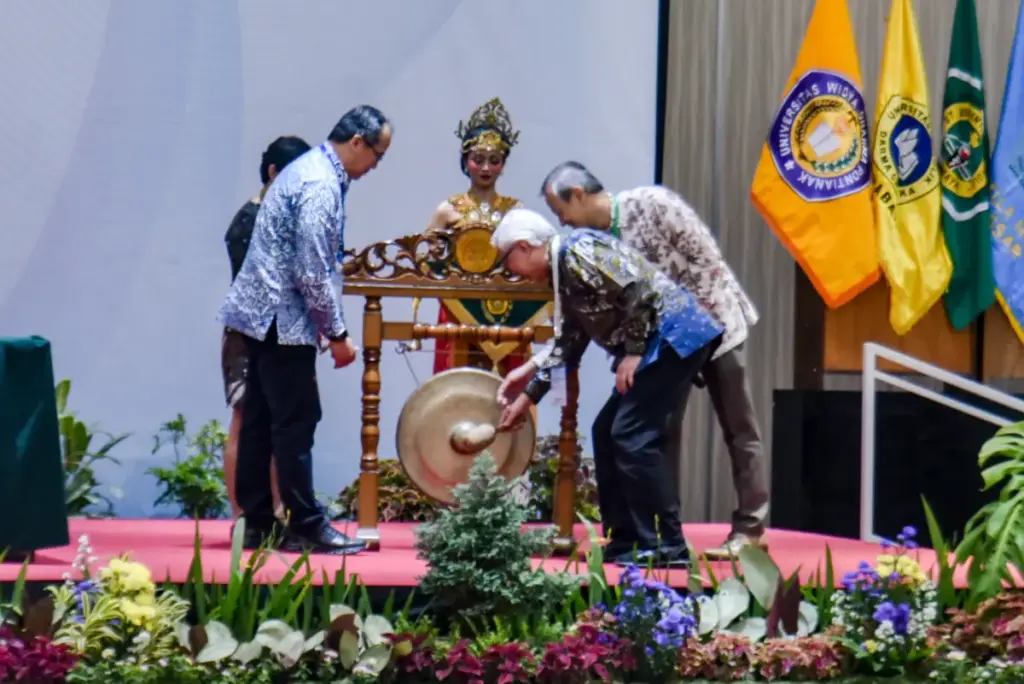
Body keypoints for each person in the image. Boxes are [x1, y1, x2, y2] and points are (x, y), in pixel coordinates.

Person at [539, 161, 769, 560]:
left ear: (577, 193)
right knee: (652, 431)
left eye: (560, 210)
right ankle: (661, 535)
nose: (560, 221)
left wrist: (678, 328)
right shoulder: (590, 240)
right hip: (661, 341)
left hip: (714, 323)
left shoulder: (652, 203)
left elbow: (706, 263)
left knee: (739, 428)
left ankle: (750, 528)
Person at [492, 208, 724, 568]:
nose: (512, 273)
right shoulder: (565, 274)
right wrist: (527, 395)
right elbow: (568, 344)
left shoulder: (578, 250)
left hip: (673, 334)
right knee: (607, 431)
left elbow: (639, 291)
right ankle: (627, 538)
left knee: (632, 435)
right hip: (656, 341)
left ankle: (667, 544)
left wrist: (633, 352)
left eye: (509, 262)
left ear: (524, 246)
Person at [218, 105, 392, 553]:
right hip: (282, 319)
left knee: (260, 420)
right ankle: (305, 525)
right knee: (296, 421)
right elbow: (312, 271)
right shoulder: (319, 184)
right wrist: (337, 335)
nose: (375, 166)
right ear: (356, 142)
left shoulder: (309, 169)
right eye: (377, 154)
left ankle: (257, 523)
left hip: (260, 315)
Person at [421, 98, 548, 376]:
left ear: (503, 164)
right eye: (478, 160)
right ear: (466, 161)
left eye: (494, 160)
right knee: (456, 382)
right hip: (459, 309)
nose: (486, 168)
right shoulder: (448, 210)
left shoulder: (515, 210)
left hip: (504, 308)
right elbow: (425, 260)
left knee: (505, 379)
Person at [222, 135, 311, 522]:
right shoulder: (251, 219)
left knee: (279, 423)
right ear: (273, 173)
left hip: (278, 331)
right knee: (246, 419)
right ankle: (245, 513)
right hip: (250, 334)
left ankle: (275, 512)